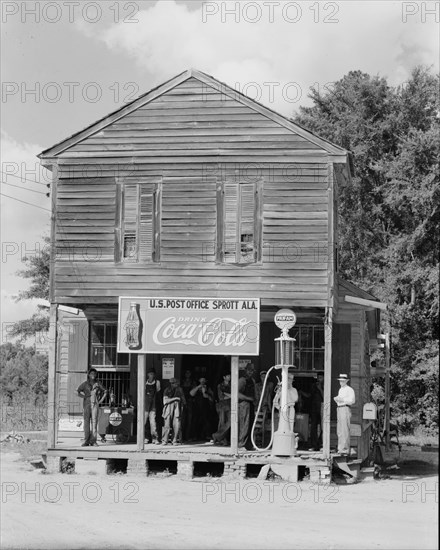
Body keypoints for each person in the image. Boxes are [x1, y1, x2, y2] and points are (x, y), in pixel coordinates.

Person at [77, 369, 107, 447]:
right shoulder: (85, 384)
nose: (93, 375)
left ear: (96, 375)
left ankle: (93, 441)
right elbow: (77, 391)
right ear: (89, 374)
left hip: (95, 405)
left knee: (94, 423)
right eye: (91, 373)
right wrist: (83, 396)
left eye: (94, 373)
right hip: (86, 405)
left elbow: (105, 391)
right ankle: (86, 441)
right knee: (86, 424)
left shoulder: (98, 383)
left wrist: (100, 401)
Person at [333, 373, 355, 455]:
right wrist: (337, 399)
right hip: (339, 408)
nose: (341, 382)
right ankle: (340, 448)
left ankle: (345, 449)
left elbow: (352, 401)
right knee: (340, 430)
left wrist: (342, 400)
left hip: (345, 408)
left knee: (345, 429)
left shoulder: (349, 389)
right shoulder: (340, 389)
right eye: (340, 381)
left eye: (342, 381)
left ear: (346, 381)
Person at [273, 368, 298, 432]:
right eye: (288, 380)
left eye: (291, 380)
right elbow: (275, 401)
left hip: (291, 409)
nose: (290, 381)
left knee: (290, 426)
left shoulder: (294, 390)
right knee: (282, 427)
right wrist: (279, 408)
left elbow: (295, 399)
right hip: (283, 409)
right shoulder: (281, 390)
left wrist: (289, 390)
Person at [162, 378, 186, 445]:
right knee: (167, 425)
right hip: (168, 408)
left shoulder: (180, 390)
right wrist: (175, 398)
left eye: (175, 383)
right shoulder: (167, 390)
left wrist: (182, 406)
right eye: (172, 383)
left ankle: (174, 440)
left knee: (177, 425)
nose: (174, 384)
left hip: (177, 408)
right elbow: (165, 401)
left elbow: (184, 400)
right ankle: (165, 440)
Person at [238, 364, 256, 449]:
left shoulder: (252, 380)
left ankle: (248, 445)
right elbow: (237, 394)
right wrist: (248, 398)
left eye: (252, 370)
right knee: (244, 425)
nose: (250, 372)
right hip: (244, 405)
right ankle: (241, 444)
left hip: (251, 405)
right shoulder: (242, 380)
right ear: (245, 370)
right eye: (249, 370)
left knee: (250, 425)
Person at [212, 372, 231, 445]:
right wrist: (231, 395)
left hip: (230, 405)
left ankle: (216, 436)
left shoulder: (232, 385)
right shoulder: (220, 385)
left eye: (230, 376)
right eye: (228, 376)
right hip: (222, 406)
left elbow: (233, 394)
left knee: (230, 422)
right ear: (224, 377)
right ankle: (223, 440)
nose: (229, 377)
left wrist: (226, 394)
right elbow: (221, 397)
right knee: (222, 422)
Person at [145, 369, 161, 444]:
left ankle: (155, 438)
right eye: (150, 374)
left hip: (153, 405)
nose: (151, 375)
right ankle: (146, 438)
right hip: (145, 406)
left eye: (152, 374)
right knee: (144, 422)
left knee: (153, 422)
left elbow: (158, 392)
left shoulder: (157, 382)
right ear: (148, 375)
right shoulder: (145, 382)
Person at [309, 373, 324, 451]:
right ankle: (314, 445)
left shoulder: (325, 385)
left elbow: (325, 396)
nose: (319, 379)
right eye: (318, 378)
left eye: (321, 378)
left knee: (323, 427)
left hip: (322, 407)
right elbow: (310, 396)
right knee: (313, 427)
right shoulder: (314, 385)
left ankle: (321, 444)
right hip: (314, 408)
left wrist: (320, 389)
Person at [180, 369, 196, 442]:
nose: (187, 374)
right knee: (182, 419)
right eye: (186, 372)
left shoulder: (193, 382)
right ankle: (181, 437)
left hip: (190, 402)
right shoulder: (182, 381)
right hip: (183, 402)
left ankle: (188, 436)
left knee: (190, 420)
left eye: (189, 372)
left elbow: (193, 393)